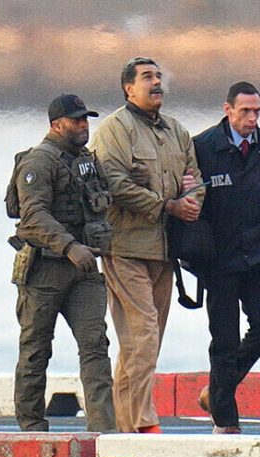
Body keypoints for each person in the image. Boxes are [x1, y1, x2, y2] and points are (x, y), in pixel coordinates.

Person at [89, 57, 204, 433]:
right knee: (143, 335)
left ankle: (125, 426)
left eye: (158, 76)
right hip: (125, 247)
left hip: (165, 250)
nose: (156, 83)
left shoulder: (176, 131)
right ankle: (143, 423)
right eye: (147, 78)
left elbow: (195, 178)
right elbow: (114, 182)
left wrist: (191, 202)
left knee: (144, 342)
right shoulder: (114, 129)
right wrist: (167, 205)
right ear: (128, 88)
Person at [193, 81, 260, 434]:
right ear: (228, 110)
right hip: (219, 261)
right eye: (245, 111)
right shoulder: (202, 148)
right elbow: (190, 205)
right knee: (224, 341)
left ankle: (217, 391)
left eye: (257, 111)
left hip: (259, 255)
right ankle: (226, 422)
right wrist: (192, 255)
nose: (252, 118)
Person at [12, 93, 116, 433]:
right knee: (36, 349)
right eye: (76, 120)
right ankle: (31, 428)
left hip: (84, 271)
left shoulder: (86, 160)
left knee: (95, 345)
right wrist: (70, 246)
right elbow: (33, 214)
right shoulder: (39, 162)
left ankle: (102, 431)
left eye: (86, 119)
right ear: (57, 125)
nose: (84, 125)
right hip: (45, 269)